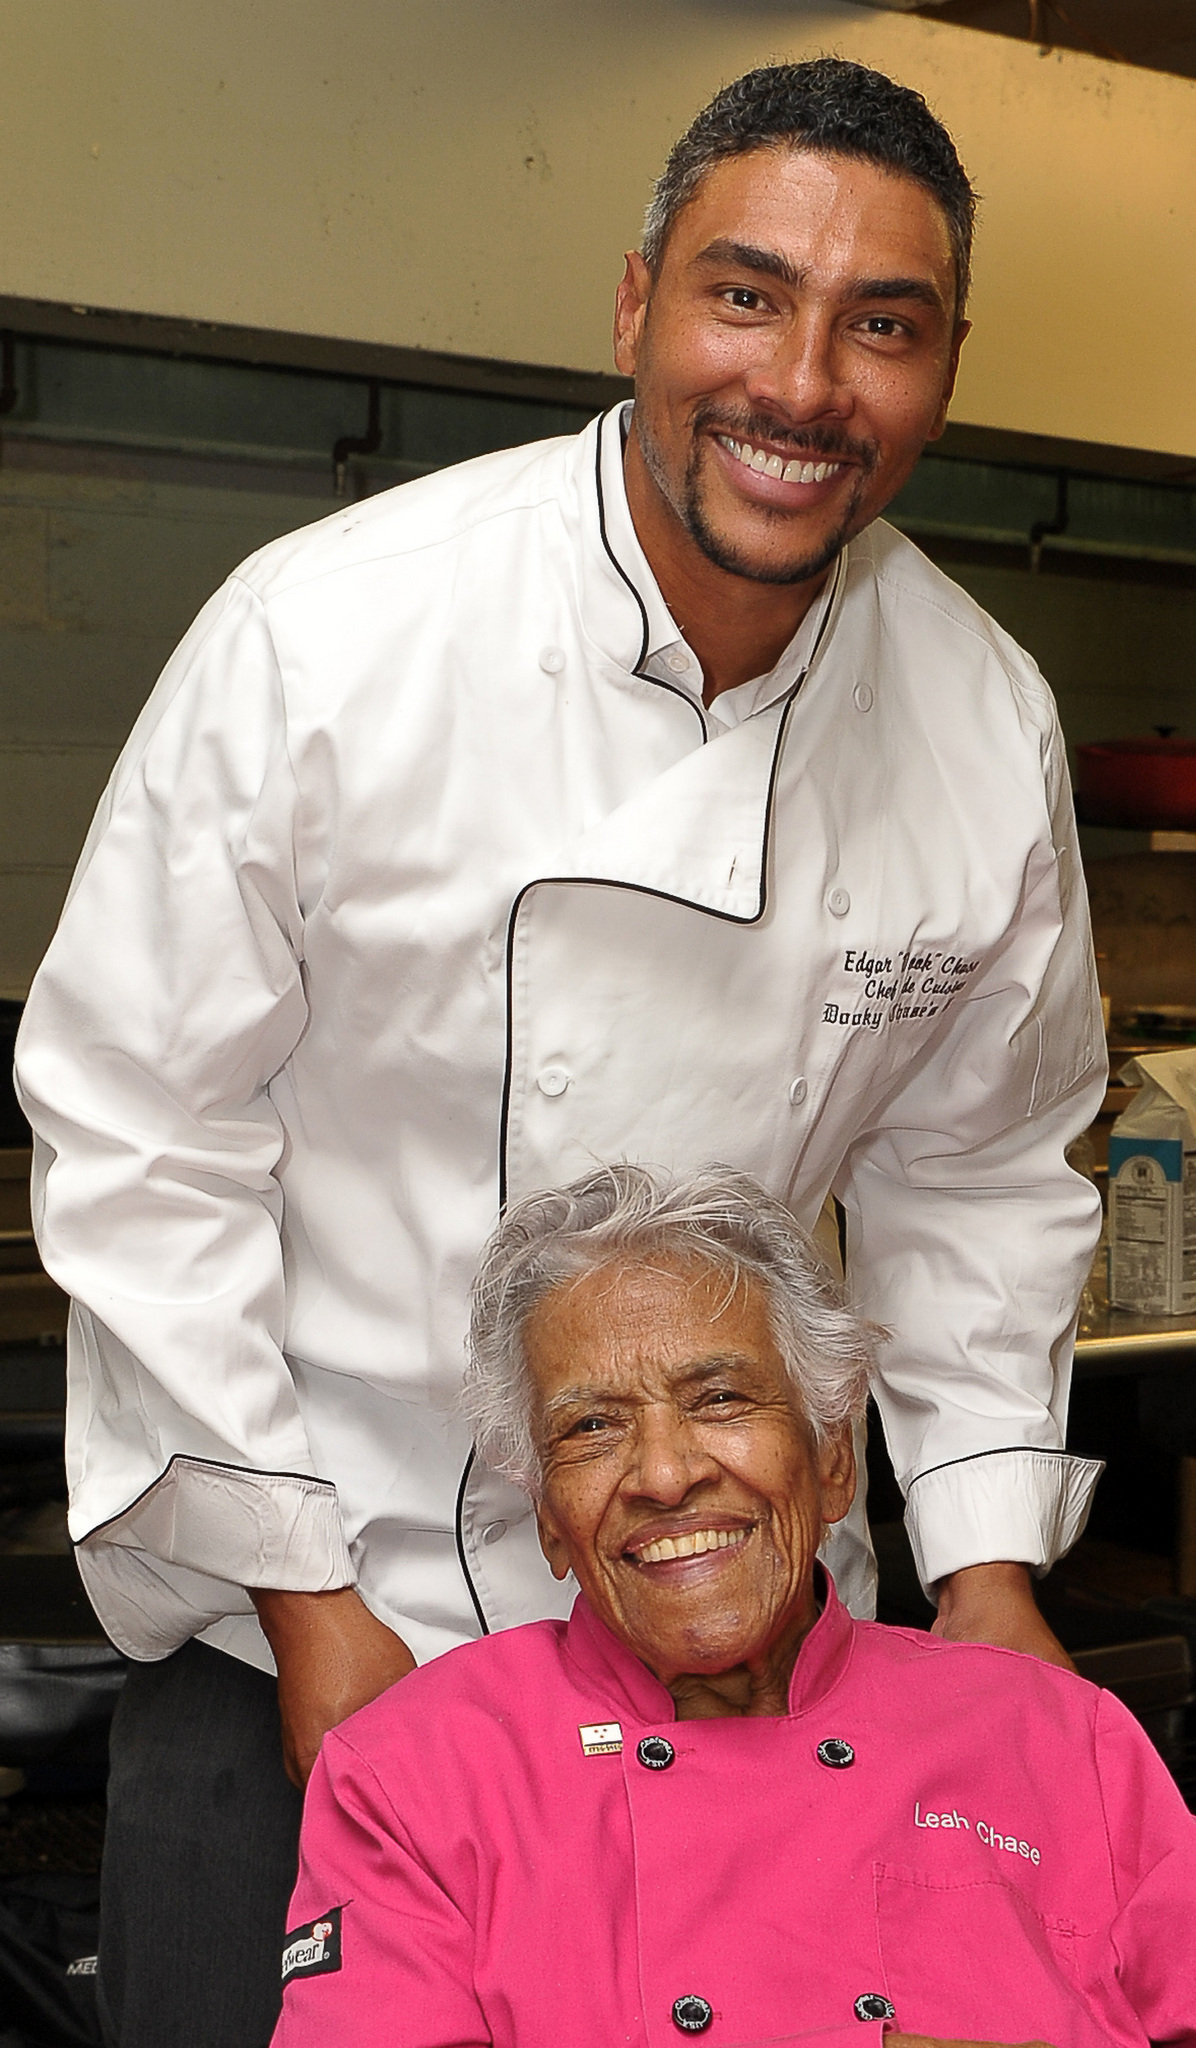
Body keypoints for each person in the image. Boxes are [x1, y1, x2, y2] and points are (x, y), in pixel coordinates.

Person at [15, 56, 1105, 2048]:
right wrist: (307, 1603)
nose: (800, 383)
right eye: (744, 294)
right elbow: (139, 1129)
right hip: (334, 1608)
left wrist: (985, 1560)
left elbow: (979, 1170)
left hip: (751, 1652)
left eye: (884, 324)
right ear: (631, 308)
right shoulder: (332, 637)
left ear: (945, 369)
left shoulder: (974, 714)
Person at [273, 1164, 1193, 2048]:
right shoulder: (413, 1778)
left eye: (719, 1398)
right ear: (550, 1520)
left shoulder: (1061, 1738)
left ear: (833, 1461)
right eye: (592, 1427)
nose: (666, 1474)